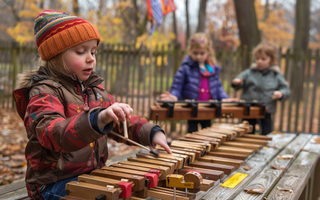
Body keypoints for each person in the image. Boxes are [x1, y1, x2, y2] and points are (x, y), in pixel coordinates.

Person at [13, 10, 172, 200]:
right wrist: (98, 118)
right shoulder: (44, 93)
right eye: (81, 51)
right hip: (53, 184)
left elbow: (123, 123)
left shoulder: (95, 90)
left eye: (93, 52)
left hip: (92, 176)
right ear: (55, 55)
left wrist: (152, 133)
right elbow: (53, 134)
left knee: (141, 189)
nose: (91, 58)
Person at [160, 33, 237, 133]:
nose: (198, 56)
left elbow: (217, 87)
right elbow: (177, 85)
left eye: (202, 53)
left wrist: (225, 98)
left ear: (208, 52)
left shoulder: (212, 69)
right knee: (192, 133)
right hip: (192, 109)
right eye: (195, 53)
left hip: (208, 108)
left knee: (207, 133)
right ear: (189, 51)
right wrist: (174, 96)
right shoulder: (186, 68)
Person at [231, 42, 290, 135]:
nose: (259, 61)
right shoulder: (249, 72)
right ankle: (247, 148)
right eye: (257, 58)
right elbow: (238, 81)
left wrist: (281, 93)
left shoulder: (276, 74)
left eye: (263, 59)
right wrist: (236, 82)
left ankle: (265, 148)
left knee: (266, 132)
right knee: (247, 132)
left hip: (266, 109)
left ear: (272, 60)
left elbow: (286, 89)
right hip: (249, 109)